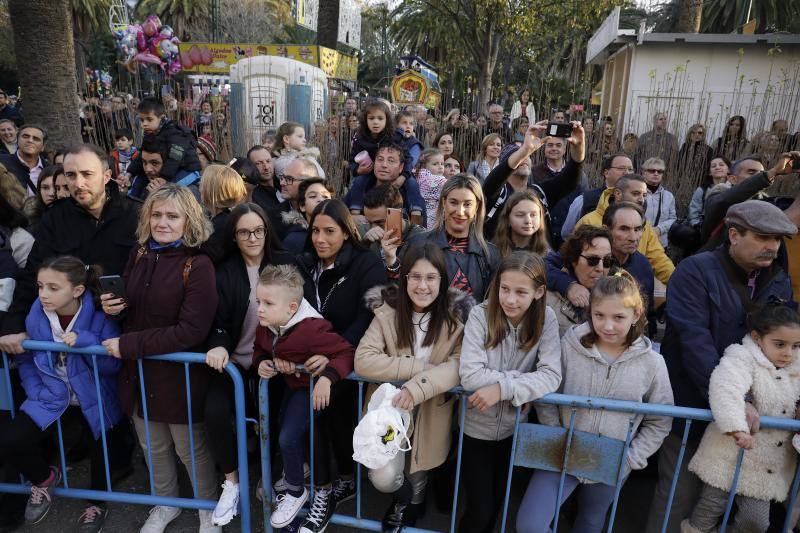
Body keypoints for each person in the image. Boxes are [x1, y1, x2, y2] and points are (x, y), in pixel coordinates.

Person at [646, 200, 796, 533]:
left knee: (724, 509)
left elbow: (786, 342)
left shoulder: (779, 279)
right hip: (693, 411)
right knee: (679, 496)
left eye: (777, 240)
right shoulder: (694, 271)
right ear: (733, 235)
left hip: (752, 420)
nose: (772, 246)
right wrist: (731, 402)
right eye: (762, 237)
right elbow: (694, 343)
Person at [99, 185, 220, 533]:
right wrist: (111, 307)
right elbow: (131, 309)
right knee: (153, 446)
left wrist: (129, 344)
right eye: (156, 214)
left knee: (189, 448)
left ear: (189, 220)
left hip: (177, 375)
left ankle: (206, 508)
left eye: (172, 215)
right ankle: (165, 503)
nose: (162, 222)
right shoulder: (139, 254)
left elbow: (192, 331)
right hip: (138, 373)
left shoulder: (198, 264)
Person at [519, 271, 672, 533]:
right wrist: (557, 435)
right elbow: (547, 390)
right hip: (562, 449)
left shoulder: (653, 363)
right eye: (599, 315)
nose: (608, 326)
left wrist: (631, 458)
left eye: (618, 317)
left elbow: (660, 419)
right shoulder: (570, 344)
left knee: (590, 521)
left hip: (614, 457)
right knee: (530, 524)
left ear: (636, 315)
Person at [1, 257, 124, 531]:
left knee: (100, 454)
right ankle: (44, 479)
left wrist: (88, 343)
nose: (44, 294)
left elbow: (114, 365)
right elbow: (25, 359)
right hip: (51, 395)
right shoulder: (35, 314)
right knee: (10, 440)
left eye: (53, 288)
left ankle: (96, 504)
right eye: (40, 286)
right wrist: (36, 390)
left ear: (77, 290)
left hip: (94, 398)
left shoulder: (100, 315)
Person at [355, 242, 468, 531]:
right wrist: (418, 367)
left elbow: (457, 366)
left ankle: (412, 500)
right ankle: (402, 495)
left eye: (431, 278)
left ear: (442, 281)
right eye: (415, 277)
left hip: (429, 408)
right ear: (404, 278)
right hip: (390, 409)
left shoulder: (457, 319)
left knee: (418, 466)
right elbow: (364, 360)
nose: (422, 286)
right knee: (382, 476)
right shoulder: (387, 312)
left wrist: (416, 388)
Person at [295, 199, 387, 533]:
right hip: (309, 361)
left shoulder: (367, 263)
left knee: (335, 422)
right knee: (311, 422)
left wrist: (333, 357)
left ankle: (335, 487)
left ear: (347, 233)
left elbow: (367, 317)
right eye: (315, 230)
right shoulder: (304, 263)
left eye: (329, 232)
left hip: (351, 357)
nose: (320, 238)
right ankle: (315, 486)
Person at [458, 251, 562, 533]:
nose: (510, 299)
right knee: (479, 509)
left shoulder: (547, 319)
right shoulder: (481, 314)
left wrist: (503, 388)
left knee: (496, 507)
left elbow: (552, 375)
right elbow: (469, 374)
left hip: (514, 429)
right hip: (475, 429)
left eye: (520, 292)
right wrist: (522, 383)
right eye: (504, 289)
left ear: (539, 292)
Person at [0, 144, 138, 354]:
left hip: (127, 329)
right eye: (71, 175)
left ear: (106, 176)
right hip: (71, 334)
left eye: (87, 174)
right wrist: (14, 324)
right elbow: (34, 272)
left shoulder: (136, 214)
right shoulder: (55, 218)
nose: (78, 183)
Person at [204, 203, 294, 525]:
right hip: (236, 363)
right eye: (244, 231)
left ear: (267, 231)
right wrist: (217, 345)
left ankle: (273, 481)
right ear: (235, 236)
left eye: (258, 230)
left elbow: (301, 314)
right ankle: (232, 482)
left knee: (277, 422)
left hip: (274, 361)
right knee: (214, 411)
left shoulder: (284, 265)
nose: (252, 237)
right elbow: (217, 321)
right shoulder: (224, 271)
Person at [252, 264, 355, 529]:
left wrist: (327, 378)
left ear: (292, 308)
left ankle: (296, 490)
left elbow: (346, 353)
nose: (259, 308)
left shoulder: (311, 330)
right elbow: (259, 348)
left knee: (289, 436)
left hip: (309, 390)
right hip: (293, 387)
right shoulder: (266, 324)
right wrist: (264, 361)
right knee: (285, 435)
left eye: (267, 303)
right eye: (258, 301)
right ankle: (294, 480)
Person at [682, 304, 800, 533]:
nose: (788, 353)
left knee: (755, 522)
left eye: (796, 346)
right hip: (730, 454)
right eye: (780, 344)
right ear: (757, 338)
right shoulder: (742, 356)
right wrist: (737, 428)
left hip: (766, 464)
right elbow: (725, 387)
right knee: (710, 507)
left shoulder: (797, 366)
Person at [386, 175, 501, 299]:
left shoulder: (490, 254)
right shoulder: (417, 243)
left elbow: (492, 305)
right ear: (443, 203)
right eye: (453, 202)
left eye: (467, 204)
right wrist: (391, 260)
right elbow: (398, 295)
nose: (460, 211)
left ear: (477, 207)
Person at [483, 121, 585, 243]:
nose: (525, 158)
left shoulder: (539, 192)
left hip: (536, 258)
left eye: (528, 155)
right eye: (519, 155)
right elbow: (493, 180)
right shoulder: (497, 193)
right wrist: (525, 150)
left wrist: (579, 146)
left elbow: (570, 180)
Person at [699, 153, 796, 246]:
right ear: (733, 179)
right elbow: (722, 201)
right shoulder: (718, 196)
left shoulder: (767, 202)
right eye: (751, 172)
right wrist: (772, 173)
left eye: (761, 173)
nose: (758, 175)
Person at [545, 226, 613, 335]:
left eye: (607, 260)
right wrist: (568, 285)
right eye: (592, 260)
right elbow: (534, 267)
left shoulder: (621, 288)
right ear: (573, 259)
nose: (600, 268)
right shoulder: (547, 301)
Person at [123, 97, 201, 188]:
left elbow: (175, 158)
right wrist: (129, 173)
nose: (144, 124)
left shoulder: (175, 133)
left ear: (162, 118)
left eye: (149, 119)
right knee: (139, 180)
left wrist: (164, 178)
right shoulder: (150, 132)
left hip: (187, 170)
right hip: (168, 170)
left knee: (168, 190)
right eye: (142, 120)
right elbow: (142, 155)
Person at [345, 143, 426, 227]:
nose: (384, 165)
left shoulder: (411, 193)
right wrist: (350, 219)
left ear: (401, 167)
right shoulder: (361, 187)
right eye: (380, 159)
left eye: (391, 161)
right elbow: (336, 214)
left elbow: (421, 231)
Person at [561, 153, 634, 240]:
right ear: (606, 173)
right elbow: (567, 233)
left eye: (630, 169)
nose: (626, 173)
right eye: (621, 168)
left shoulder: (639, 200)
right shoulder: (586, 199)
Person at [199, 164, 248, 263]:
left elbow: (208, 258)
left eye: (203, 183)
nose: (200, 185)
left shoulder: (223, 224)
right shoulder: (225, 218)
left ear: (212, 190)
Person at [127, 137, 201, 203]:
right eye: (144, 162)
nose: (147, 169)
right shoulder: (139, 182)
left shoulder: (190, 192)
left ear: (169, 165)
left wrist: (161, 198)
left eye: (155, 163)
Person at [358, 184, 425, 257]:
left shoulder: (420, 237)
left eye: (380, 223)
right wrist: (364, 245)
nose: (373, 228)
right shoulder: (363, 232)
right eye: (369, 222)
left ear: (398, 213)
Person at [348, 99, 400, 178]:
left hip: (390, 175)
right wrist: (357, 170)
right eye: (371, 118)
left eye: (380, 118)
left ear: (387, 120)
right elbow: (352, 160)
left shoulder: (394, 136)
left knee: (411, 184)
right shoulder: (360, 138)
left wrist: (403, 176)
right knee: (357, 185)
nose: (375, 122)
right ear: (365, 120)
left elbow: (407, 158)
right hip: (367, 175)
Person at [281, 177, 334, 254]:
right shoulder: (294, 240)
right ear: (302, 206)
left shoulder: (341, 233)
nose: (320, 200)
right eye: (313, 196)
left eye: (325, 197)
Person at [492, 190, 550, 258]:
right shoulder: (492, 252)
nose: (528, 221)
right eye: (520, 215)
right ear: (507, 219)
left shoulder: (548, 256)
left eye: (533, 215)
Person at [0, 124, 47, 196]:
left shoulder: (50, 170)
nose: (30, 140)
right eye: (25, 136)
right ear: (17, 140)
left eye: (36, 138)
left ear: (43, 147)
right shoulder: (2, 162)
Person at [687, 156, 731, 228]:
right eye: (713, 166)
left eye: (721, 165)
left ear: (729, 169)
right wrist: (697, 226)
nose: (717, 167)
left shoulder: (734, 188)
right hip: (706, 228)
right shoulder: (702, 190)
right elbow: (693, 213)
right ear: (710, 172)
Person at [641, 158, 676, 248]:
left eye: (660, 171)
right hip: (639, 242)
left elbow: (673, 218)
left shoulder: (669, 196)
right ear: (644, 172)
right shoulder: (636, 193)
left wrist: (659, 229)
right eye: (652, 170)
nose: (656, 173)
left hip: (660, 243)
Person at [415, 148, 447, 230]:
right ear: (424, 165)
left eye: (442, 164)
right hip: (431, 217)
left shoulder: (417, 175)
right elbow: (450, 186)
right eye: (435, 164)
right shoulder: (434, 180)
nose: (440, 167)